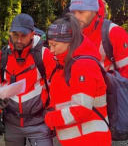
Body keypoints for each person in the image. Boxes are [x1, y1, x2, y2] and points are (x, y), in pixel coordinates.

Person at [0, 13, 56, 146]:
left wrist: (53, 116)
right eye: (15, 35)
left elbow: (55, 86)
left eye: (23, 36)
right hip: (12, 123)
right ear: (10, 34)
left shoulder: (43, 54)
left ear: (32, 34)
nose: (18, 40)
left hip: (39, 122)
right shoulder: (2, 57)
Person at [44, 13, 112, 145]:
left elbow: (81, 110)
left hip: (90, 140)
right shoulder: (65, 63)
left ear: (69, 42)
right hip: (78, 139)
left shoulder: (83, 66)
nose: (51, 50)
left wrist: (50, 118)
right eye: (49, 45)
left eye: (54, 45)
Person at [69, 0, 128, 81]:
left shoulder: (114, 32)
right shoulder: (73, 33)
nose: (76, 17)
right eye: (73, 12)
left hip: (108, 94)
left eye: (81, 12)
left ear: (94, 11)